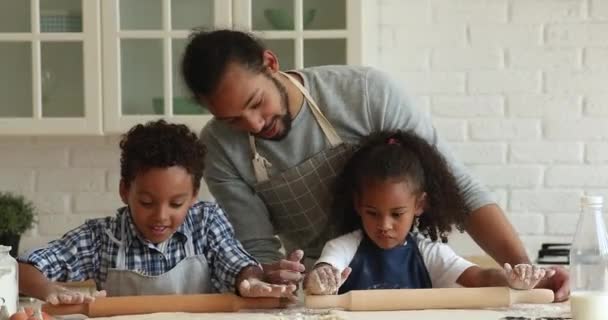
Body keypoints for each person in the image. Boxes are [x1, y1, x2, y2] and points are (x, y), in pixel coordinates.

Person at [180, 29, 569, 300]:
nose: (253, 125)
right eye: (231, 118)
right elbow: (260, 251)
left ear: (270, 63)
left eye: (254, 103)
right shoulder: (219, 148)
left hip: (409, 282)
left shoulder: (364, 94)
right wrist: (276, 283)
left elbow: (459, 189)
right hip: (324, 292)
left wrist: (527, 273)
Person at [17, 120, 295, 305]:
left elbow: (235, 264)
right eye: (147, 202)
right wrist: (48, 290)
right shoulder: (100, 238)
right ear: (125, 191)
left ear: (194, 196)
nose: (161, 216)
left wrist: (250, 281)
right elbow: (22, 270)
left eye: (176, 204)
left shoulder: (206, 222)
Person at [303, 130, 555, 294]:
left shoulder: (430, 253)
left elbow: (480, 277)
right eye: (373, 213)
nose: (385, 225)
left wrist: (512, 279)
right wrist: (319, 280)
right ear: (358, 204)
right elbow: (323, 272)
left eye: (397, 213)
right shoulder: (342, 248)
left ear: (419, 205)